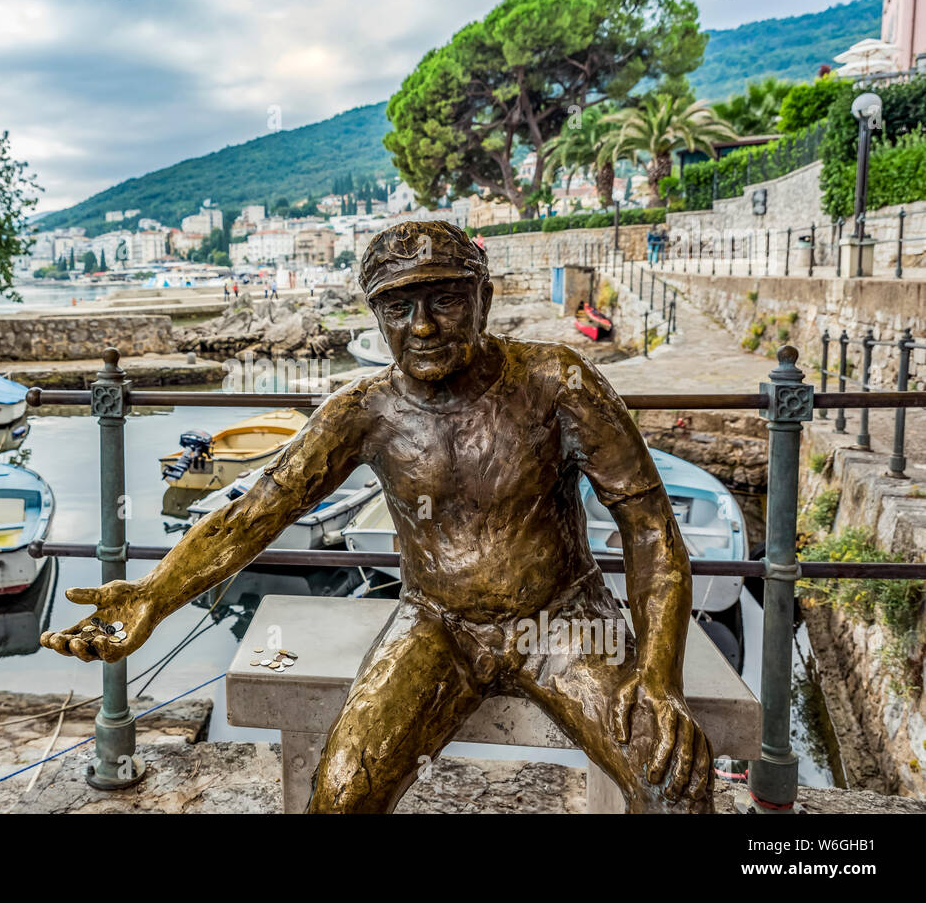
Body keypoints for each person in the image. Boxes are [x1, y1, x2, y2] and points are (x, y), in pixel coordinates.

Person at [41, 220, 713, 814]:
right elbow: (254, 513)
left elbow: (651, 526)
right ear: (374, 313)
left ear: (483, 298)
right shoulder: (364, 410)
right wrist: (155, 595)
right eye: (397, 306)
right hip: (439, 623)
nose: (421, 326)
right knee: (341, 795)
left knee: (673, 778)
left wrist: (658, 674)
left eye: (444, 299)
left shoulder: (557, 380)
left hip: (563, 617)